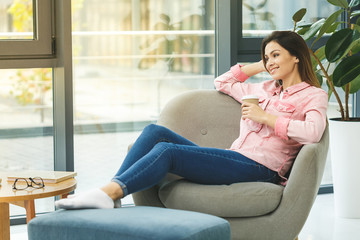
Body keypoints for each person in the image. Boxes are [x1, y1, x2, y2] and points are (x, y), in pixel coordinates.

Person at [55, 31, 328, 209]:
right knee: (154, 132)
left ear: (296, 56)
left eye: (277, 54)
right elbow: (223, 81)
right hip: (237, 157)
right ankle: (110, 193)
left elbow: (313, 133)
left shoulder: (313, 95)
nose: (270, 61)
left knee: (168, 152)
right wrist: (264, 65)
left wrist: (266, 118)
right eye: (267, 56)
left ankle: (109, 193)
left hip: (263, 169)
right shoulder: (264, 89)